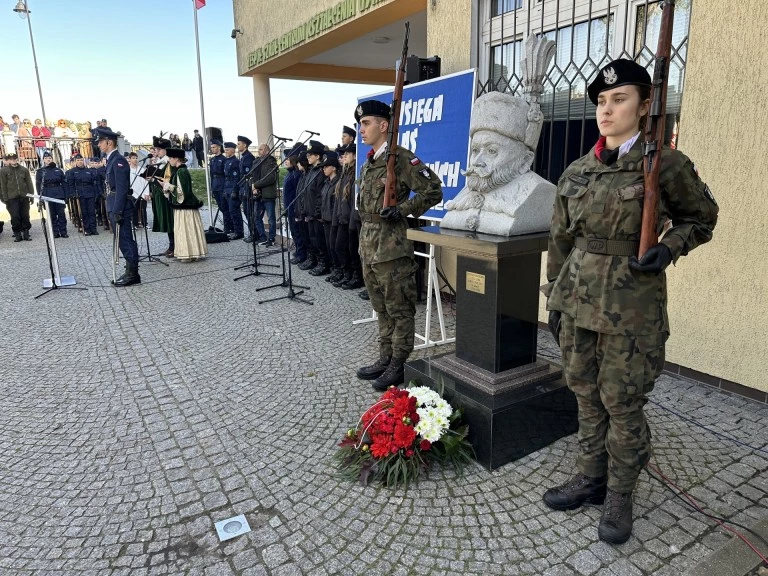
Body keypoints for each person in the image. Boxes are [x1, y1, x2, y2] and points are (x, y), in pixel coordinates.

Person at [541, 59, 719, 544]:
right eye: (601, 101)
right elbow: (559, 240)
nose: (607, 109)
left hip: (632, 309)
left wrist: (670, 247)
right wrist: (553, 300)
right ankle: (590, 477)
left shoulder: (667, 165)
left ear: (644, 106)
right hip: (577, 302)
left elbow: (702, 218)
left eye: (619, 99)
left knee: (622, 402)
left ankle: (620, 492)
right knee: (584, 392)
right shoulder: (577, 171)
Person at [353, 100, 443, 391]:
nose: (361, 129)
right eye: (360, 124)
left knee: (399, 309)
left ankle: (399, 363)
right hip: (369, 245)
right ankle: (385, 357)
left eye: (366, 123)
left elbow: (434, 190)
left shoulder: (402, 159)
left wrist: (403, 209)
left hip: (392, 249)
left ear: (383, 125)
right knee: (381, 308)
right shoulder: (370, 163)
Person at [96, 127, 140, 286]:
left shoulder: (119, 160)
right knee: (121, 239)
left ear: (109, 142)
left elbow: (121, 188)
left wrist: (118, 210)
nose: (99, 145)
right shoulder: (111, 159)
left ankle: (133, 273)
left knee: (126, 239)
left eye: (101, 142)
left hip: (119, 205)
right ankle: (129, 269)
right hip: (113, 203)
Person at [162, 148, 208, 262]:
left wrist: (169, 187)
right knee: (188, 229)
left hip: (185, 206)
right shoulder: (179, 170)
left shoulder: (181, 171)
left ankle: (188, 254)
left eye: (171, 158)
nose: (169, 160)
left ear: (177, 158)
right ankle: (192, 253)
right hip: (184, 206)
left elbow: (183, 191)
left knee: (186, 229)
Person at [335, 143, 364, 289]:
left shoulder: (356, 173)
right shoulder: (345, 173)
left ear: (354, 155)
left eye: (347, 154)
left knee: (354, 250)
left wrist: (352, 221)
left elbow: (355, 200)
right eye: (343, 154)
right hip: (343, 218)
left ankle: (357, 277)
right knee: (341, 247)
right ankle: (348, 274)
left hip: (352, 220)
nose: (344, 157)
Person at [301, 140, 330, 275]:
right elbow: (306, 193)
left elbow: (320, 195)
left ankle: (324, 264)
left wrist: (318, 213)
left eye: (310, 155)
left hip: (316, 214)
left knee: (319, 240)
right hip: (309, 212)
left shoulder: (320, 172)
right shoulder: (311, 171)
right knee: (312, 239)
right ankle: (316, 261)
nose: (308, 157)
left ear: (318, 156)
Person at [148, 136, 175, 256]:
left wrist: (155, 179)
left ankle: (174, 246)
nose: (157, 152)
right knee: (166, 220)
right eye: (156, 149)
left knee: (170, 220)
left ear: (165, 149)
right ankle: (171, 245)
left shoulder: (168, 162)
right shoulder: (159, 161)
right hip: (159, 194)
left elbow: (167, 179)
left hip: (167, 195)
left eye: (159, 149)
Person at [0, 152, 34, 241]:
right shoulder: (4, 171)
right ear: (9, 160)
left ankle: (26, 232)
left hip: (24, 196)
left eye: (14, 159)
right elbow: (3, 185)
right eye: (11, 159)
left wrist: (31, 195)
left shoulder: (24, 169)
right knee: (15, 216)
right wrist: (5, 198)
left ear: (17, 159)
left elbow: (29, 183)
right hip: (12, 198)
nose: (13, 161)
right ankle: (17, 233)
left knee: (25, 215)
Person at [318, 151, 341, 280]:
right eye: (323, 166)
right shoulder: (327, 182)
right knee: (329, 246)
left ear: (333, 167)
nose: (324, 169)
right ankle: (335, 269)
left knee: (335, 247)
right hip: (326, 219)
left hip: (334, 220)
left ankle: (339, 270)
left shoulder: (338, 182)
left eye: (326, 166)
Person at [282, 144, 307, 264]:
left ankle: (301, 254)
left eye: (288, 159)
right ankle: (298, 251)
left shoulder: (296, 175)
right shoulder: (289, 173)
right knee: (294, 231)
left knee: (298, 232)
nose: (285, 161)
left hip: (295, 208)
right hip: (289, 208)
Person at [251, 142, 278, 247]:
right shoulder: (256, 162)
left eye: (261, 149)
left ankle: (271, 238)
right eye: (259, 149)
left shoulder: (271, 162)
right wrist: (253, 188)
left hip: (268, 194)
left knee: (271, 218)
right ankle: (262, 237)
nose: (259, 151)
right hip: (258, 194)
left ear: (267, 151)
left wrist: (256, 185)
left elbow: (270, 178)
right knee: (256, 216)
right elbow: (252, 176)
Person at [65, 154, 100, 235]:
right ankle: (86, 229)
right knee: (84, 212)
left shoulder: (89, 171)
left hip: (90, 193)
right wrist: (73, 193)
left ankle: (93, 229)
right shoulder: (72, 172)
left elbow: (93, 183)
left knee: (91, 212)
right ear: (75, 162)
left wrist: (95, 193)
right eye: (78, 160)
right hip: (80, 194)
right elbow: (70, 184)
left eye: (81, 160)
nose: (80, 162)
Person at [36, 152, 68, 238]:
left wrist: (66, 196)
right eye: (46, 158)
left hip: (59, 194)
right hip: (48, 194)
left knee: (61, 214)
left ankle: (63, 231)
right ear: (43, 160)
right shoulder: (40, 171)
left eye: (50, 158)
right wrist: (41, 197)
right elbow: (38, 185)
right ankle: (55, 232)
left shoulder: (58, 170)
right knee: (52, 215)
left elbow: (64, 183)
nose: (48, 159)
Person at [208, 139, 232, 233]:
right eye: (211, 148)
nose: (212, 149)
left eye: (214, 147)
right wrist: (211, 188)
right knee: (221, 207)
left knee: (224, 207)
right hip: (215, 185)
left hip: (222, 184)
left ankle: (228, 227)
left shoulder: (224, 159)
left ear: (219, 147)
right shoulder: (212, 160)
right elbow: (211, 174)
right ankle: (228, 226)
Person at [237, 136, 255, 242]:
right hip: (243, 187)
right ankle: (252, 232)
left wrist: (245, 189)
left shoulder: (248, 157)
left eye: (239, 143)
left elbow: (248, 175)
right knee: (246, 212)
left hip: (247, 187)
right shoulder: (243, 156)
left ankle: (254, 234)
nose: (237, 145)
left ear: (245, 145)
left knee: (249, 212)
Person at [223, 142, 242, 239]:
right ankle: (232, 230)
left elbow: (236, 178)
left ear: (233, 150)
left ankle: (239, 231)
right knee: (228, 211)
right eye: (225, 150)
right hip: (227, 188)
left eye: (227, 150)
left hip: (232, 189)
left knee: (234, 211)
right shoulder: (227, 161)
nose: (225, 151)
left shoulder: (235, 162)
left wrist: (235, 190)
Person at [128, 152, 150, 228]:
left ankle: (145, 224)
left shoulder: (142, 170)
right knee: (134, 209)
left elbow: (146, 181)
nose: (135, 160)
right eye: (133, 158)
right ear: (129, 159)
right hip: (133, 193)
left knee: (143, 209)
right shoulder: (128, 170)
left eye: (136, 158)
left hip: (142, 192)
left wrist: (147, 193)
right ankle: (135, 224)